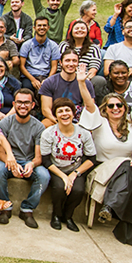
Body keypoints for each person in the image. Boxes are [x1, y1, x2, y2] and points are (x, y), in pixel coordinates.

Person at [79, 64, 132, 245]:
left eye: (119, 105)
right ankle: (125, 223)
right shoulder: (99, 122)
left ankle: (110, 208)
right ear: (105, 108)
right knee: (127, 164)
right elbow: (88, 103)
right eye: (111, 106)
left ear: (125, 108)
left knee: (128, 165)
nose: (115, 108)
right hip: (102, 170)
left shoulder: (131, 123)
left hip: (126, 172)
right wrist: (81, 82)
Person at [0, 88, 49, 228]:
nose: (23, 106)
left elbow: (38, 157)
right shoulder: (5, 123)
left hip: (28, 162)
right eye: (19, 102)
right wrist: (11, 163)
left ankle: (27, 209)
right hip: (9, 160)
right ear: (14, 104)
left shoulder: (38, 126)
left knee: (44, 176)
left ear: (32, 105)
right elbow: (0, 152)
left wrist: (31, 164)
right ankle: (6, 206)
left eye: (26, 103)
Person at [41, 96, 97, 232]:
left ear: (73, 113)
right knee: (60, 188)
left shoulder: (84, 133)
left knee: (78, 190)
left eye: (67, 110)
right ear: (55, 115)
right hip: (56, 168)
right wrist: (64, 176)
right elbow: (46, 160)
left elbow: (91, 159)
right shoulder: (49, 133)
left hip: (76, 169)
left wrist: (74, 174)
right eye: (60, 111)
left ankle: (68, 216)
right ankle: (56, 215)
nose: (64, 114)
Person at [39, 50, 95, 126]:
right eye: (67, 61)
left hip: (77, 119)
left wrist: (79, 124)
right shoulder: (49, 82)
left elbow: (90, 108)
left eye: (74, 61)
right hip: (56, 118)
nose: (71, 64)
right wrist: (60, 123)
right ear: (61, 63)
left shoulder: (86, 83)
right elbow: (46, 110)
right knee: (44, 124)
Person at [18, 17, 60, 91]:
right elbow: (22, 66)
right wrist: (33, 80)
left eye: (44, 25)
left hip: (46, 76)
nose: (42, 28)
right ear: (34, 27)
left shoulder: (53, 45)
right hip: (29, 76)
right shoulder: (26, 45)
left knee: (52, 89)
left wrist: (47, 80)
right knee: (27, 88)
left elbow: (54, 66)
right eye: (39, 25)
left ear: (48, 27)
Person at [60, 20, 103, 85]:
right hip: (66, 77)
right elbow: (59, 65)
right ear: (71, 32)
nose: (80, 30)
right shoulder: (64, 45)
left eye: (83, 28)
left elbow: (93, 69)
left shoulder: (94, 48)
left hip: (85, 79)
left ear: (87, 32)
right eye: (77, 28)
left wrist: (84, 80)